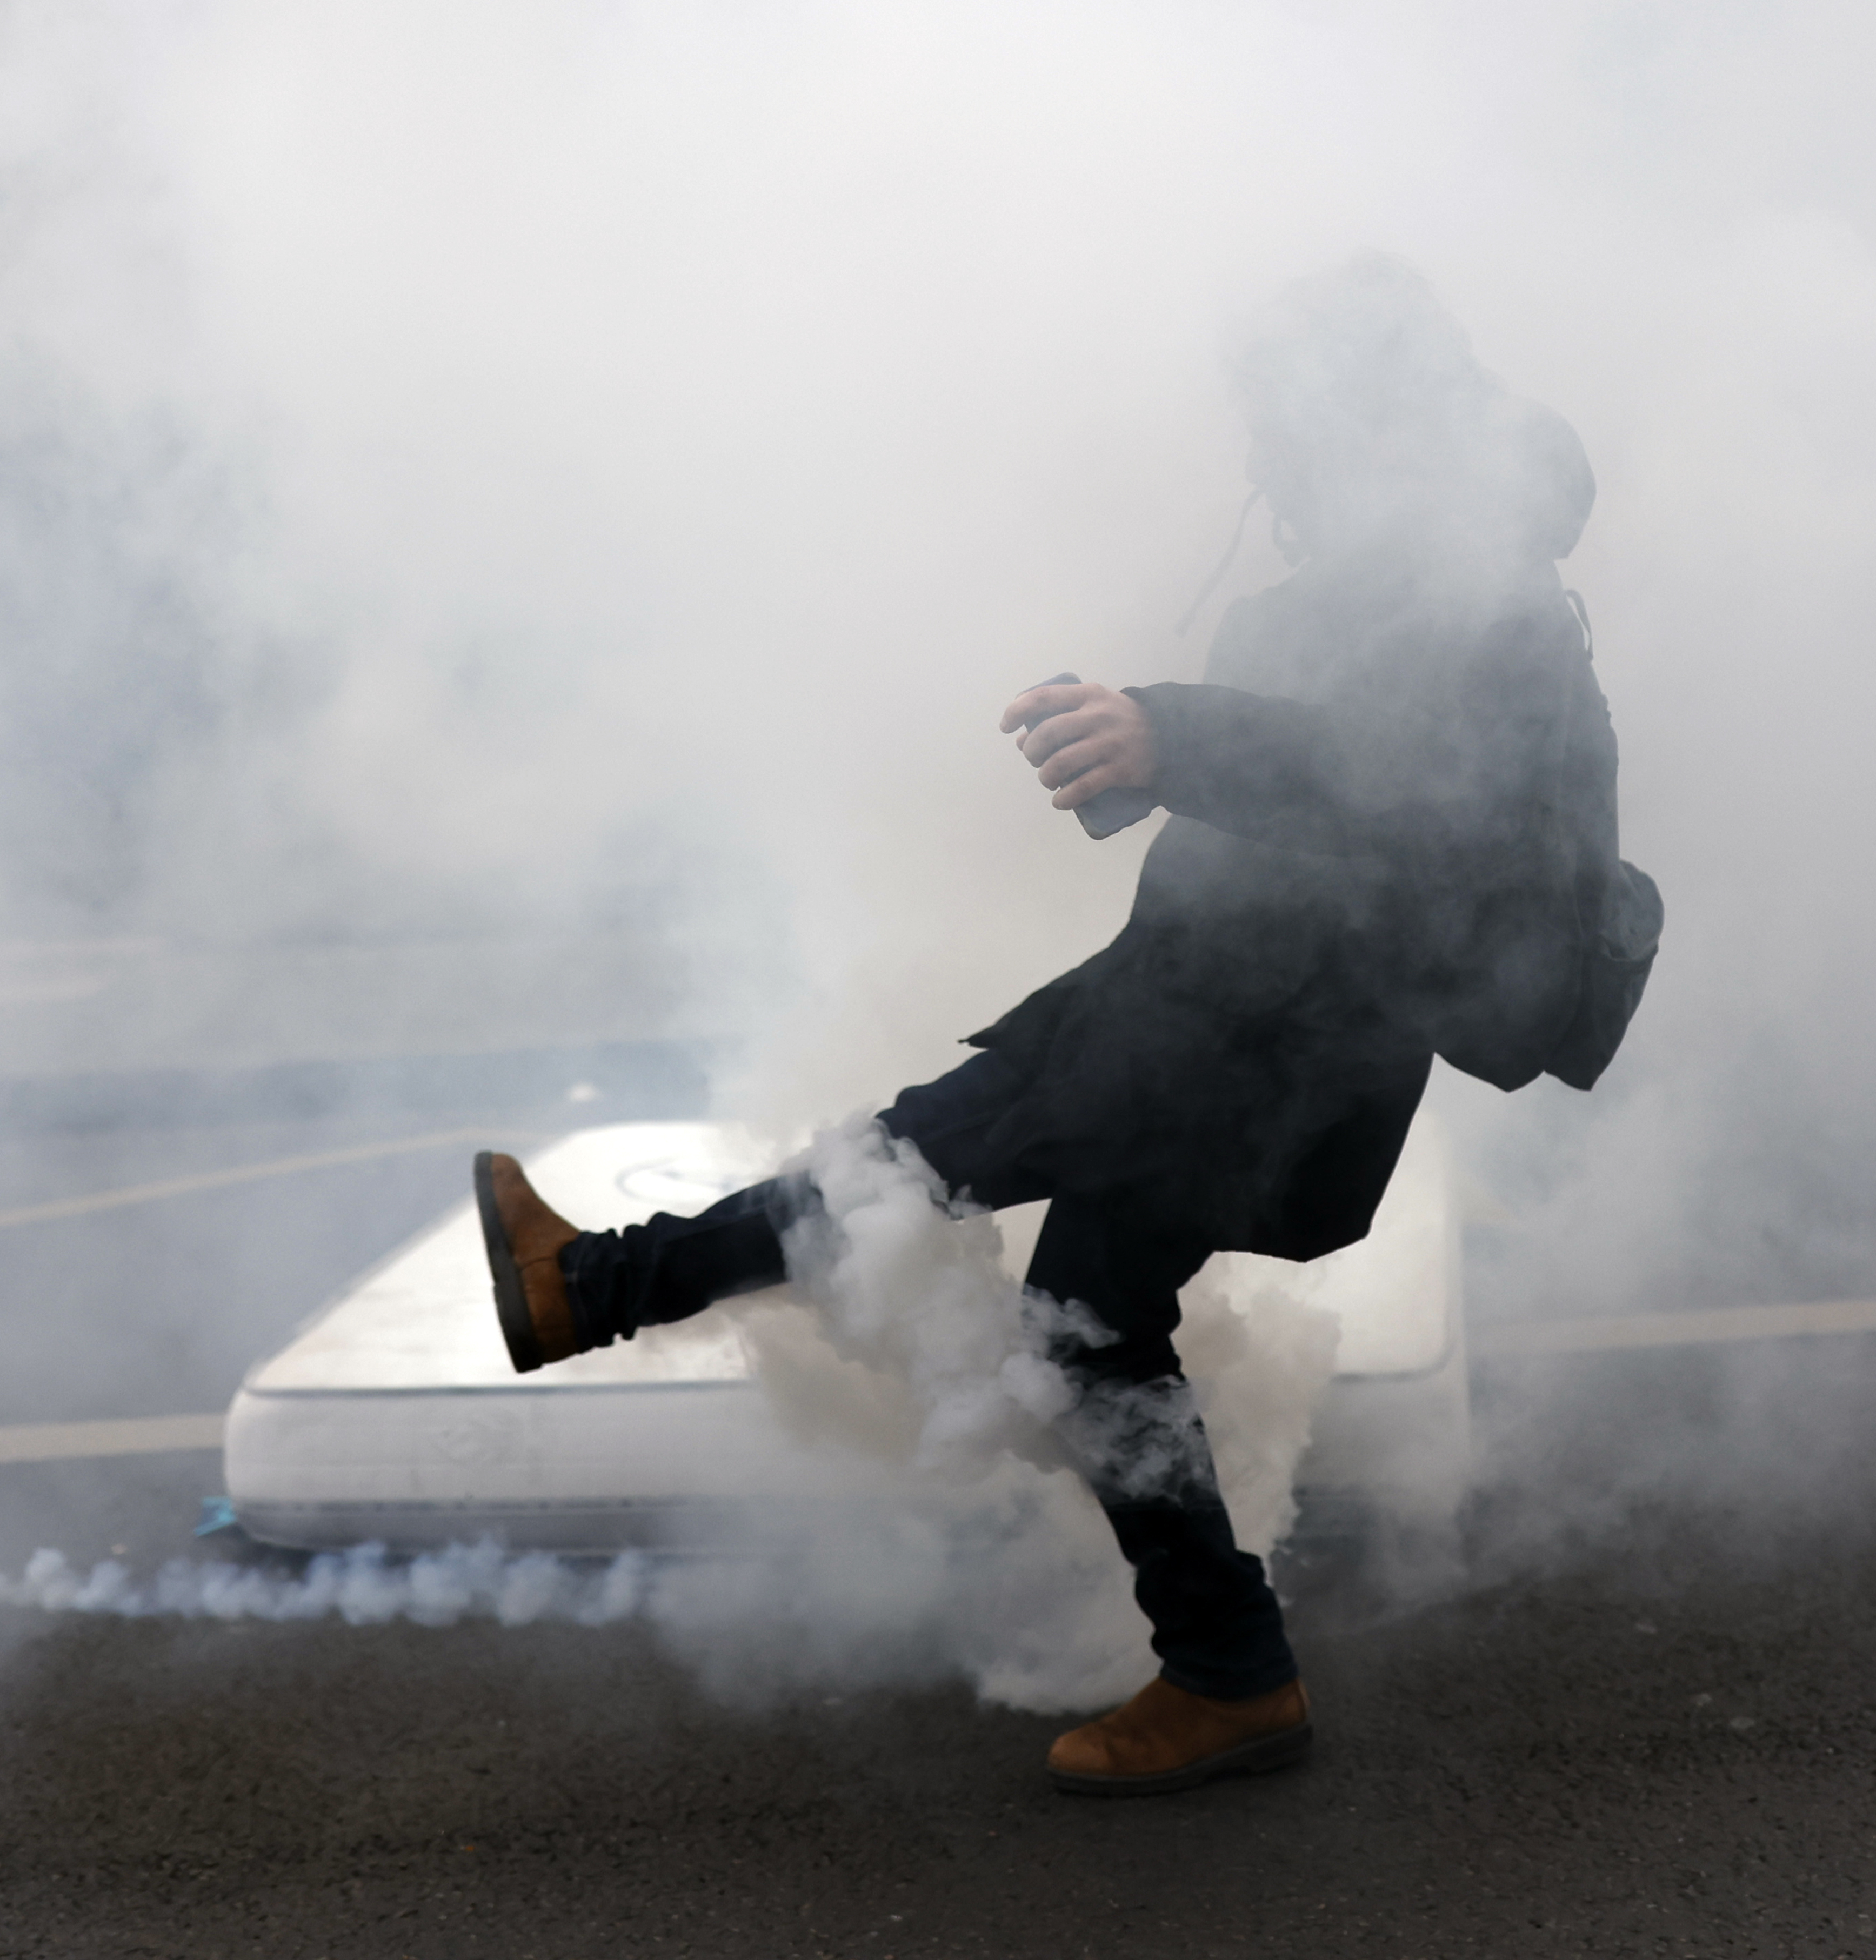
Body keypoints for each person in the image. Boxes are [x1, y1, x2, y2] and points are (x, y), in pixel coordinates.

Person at [475, 254, 1648, 1795]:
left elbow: (1419, 792)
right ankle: (1231, 1676)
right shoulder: (1393, 567)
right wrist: (1142, 764)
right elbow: (1315, 794)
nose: (1258, 451)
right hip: (1224, 1004)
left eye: (1277, 412)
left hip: (1259, 1036)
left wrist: (1175, 731)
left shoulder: (1478, 578)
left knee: (907, 1173)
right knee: (1085, 1321)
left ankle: (592, 1290)